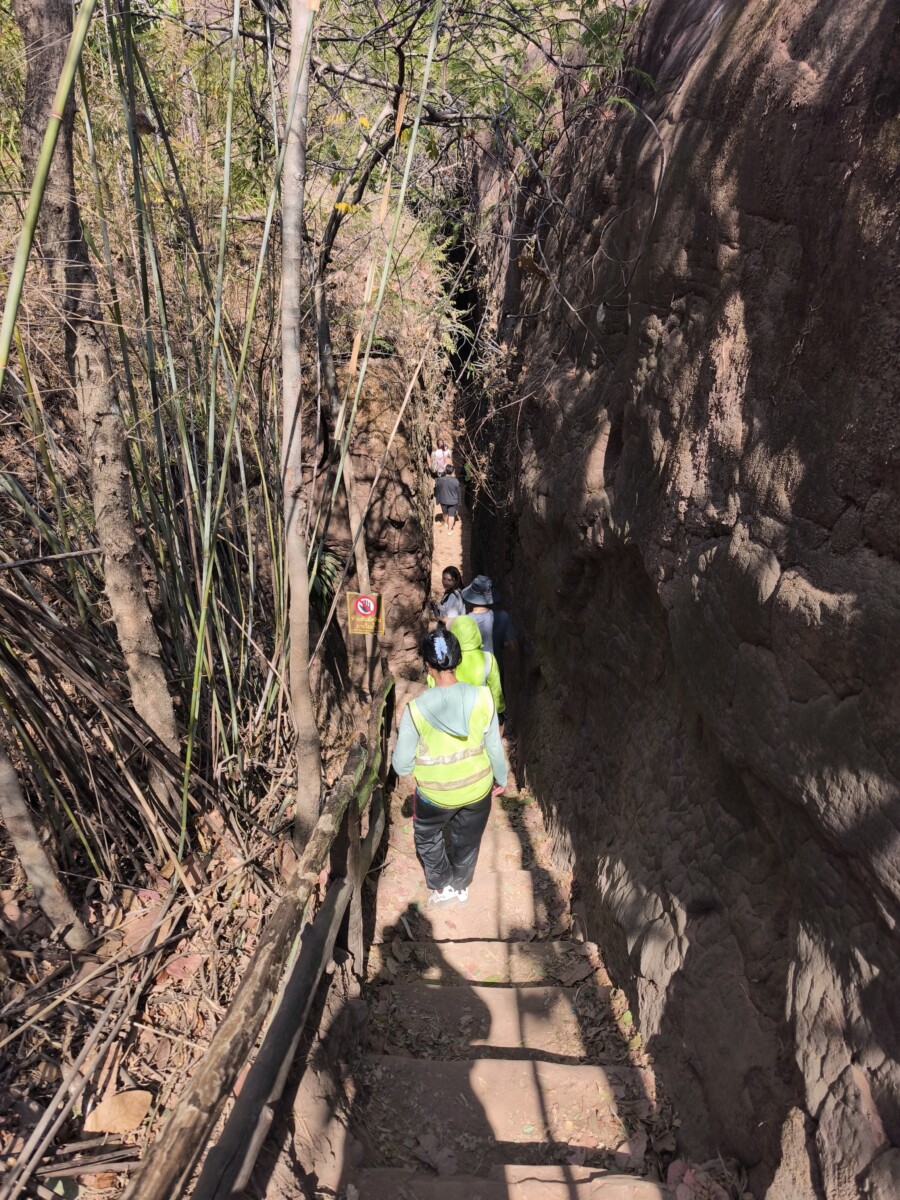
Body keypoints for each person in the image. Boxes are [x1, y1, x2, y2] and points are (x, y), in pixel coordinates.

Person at [392, 629, 508, 905]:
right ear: (458, 660)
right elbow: (494, 746)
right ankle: (461, 885)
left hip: (435, 794)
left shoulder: (415, 710)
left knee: (428, 837)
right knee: (468, 839)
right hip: (478, 788)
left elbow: (401, 766)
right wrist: (501, 778)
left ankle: (442, 887)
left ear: (427, 666)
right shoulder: (484, 697)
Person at [425, 614, 505, 725]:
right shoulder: (488, 658)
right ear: (476, 632)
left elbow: (433, 685)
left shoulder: (448, 660)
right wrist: (499, 711)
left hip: (452, 717)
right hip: (479, 716)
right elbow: (495, 690)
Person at [460, 574, 519, 666]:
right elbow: (514, 647)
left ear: (471, 596)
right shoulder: (502, 616)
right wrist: (498, 644)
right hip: (495, 670)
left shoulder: (464, 621)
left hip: (473, 671)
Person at [434, 465, 462, 534]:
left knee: (445, 513)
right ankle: (450, 530)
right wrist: (459, 501)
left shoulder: (439, 480)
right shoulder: (455, 481)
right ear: (453, 471)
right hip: (453, 501)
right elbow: (458, 492)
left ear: (445, 471)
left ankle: (446, 523)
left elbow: (437, 491)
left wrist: (437, 500)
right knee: (451, 515)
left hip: (443, 500)